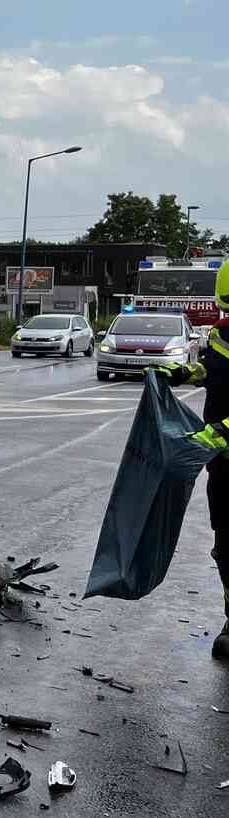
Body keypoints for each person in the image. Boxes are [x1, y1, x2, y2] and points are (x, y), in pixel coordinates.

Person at [161, 265, 229, 661]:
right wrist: (187, 371)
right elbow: (215, 372)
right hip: (222, 464)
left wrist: (224, 429)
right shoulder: (220, 335)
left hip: (221, 446)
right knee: (226, 546)